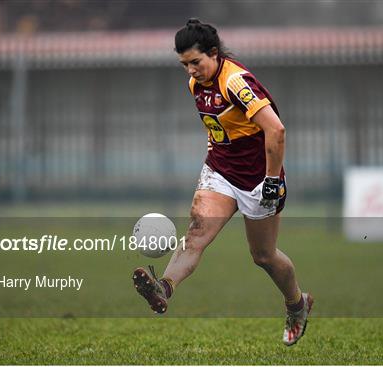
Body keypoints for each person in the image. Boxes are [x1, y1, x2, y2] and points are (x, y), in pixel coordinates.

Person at [132, 18, 313, 346]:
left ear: (214, 54)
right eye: (184, 64)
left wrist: (272, 181)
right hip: (220, 172)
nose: (190, 71)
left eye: (196, 62)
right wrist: (216, 148)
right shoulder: (196, 84)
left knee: (264, 256)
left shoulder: (236, 81)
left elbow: (276, 130)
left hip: (259, 180)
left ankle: (297, 305)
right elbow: (219, 125)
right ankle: (164, 288)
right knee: (195, 235)